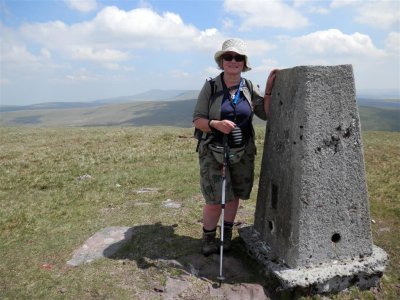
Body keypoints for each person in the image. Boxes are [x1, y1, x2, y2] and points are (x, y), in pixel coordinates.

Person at [192, 38, 278, 256]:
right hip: (213, 151)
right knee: (214, 199)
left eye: (238, 57)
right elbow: (197, 120)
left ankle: (226, 236)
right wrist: (215, 124)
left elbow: (265, 113)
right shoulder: (211, 86)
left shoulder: (248, 87)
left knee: (234, 195)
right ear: (222, 61)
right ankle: (208, 239)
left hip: (243, 151)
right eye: (228, 57)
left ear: (244, 62)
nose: (233, 61)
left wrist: (268, 90)